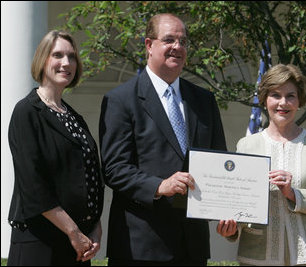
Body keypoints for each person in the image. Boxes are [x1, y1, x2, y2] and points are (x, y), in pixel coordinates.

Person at [99, 13, 227, 266]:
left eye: (183, 42)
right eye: (169, 40)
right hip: (141, 247)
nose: (177, 47)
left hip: (193, 246)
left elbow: (219, 163)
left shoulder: (204, 101)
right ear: (149, 45)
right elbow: (114, 169)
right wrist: (159, 186)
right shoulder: (121, 100)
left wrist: (228, 210)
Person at [216, 64, 306, 266]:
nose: (283, 103)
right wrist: (231, 230)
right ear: (264, 99)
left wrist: (294, 194)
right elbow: (239, 202)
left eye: (291, 96)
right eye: (275, 95)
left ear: (299, 100)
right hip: (256, 257)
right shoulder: (247, 145)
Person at [7, 30, 104, 266]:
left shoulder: (75, 118)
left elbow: (90, 176)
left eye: (71, 57)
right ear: (42, 60)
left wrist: (95, 230)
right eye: (57, 55)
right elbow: (33, 185)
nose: (66, 63)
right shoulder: (27, 112)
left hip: (77, 244)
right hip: (39, 242)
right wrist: (73, 232)